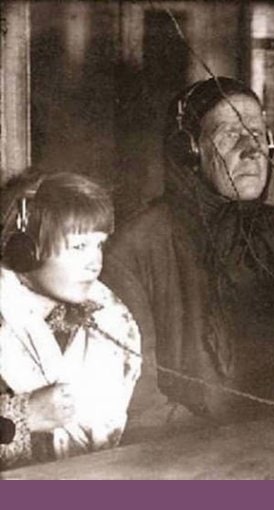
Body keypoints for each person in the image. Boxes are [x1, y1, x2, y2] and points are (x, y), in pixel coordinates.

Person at [101, 77, 274, 420]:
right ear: (189, 150)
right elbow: (137, 395)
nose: (251, 149)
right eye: (230, 134)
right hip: (189, 450)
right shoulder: (135, 248)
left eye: (257, 134)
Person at [0, 171, 141, 470]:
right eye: (79, 247)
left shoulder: (110, 317)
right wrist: (25, 417)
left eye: (99, 245)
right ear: (24, 251)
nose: (95, 262)